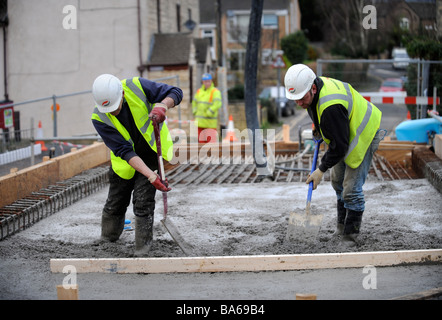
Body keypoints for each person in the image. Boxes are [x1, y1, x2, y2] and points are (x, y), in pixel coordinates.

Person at [284, 64, 386, 246]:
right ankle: (341, 227)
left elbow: (340, 146)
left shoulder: (331, 106)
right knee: (337, 182)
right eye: (295, 99)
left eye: (301, 98)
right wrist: (319, 129)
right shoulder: (312, 91)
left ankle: (350, 236)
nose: (298, 103)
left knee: (351, 189)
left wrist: (320, 169)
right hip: (344, 131)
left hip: (363, 134)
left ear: (313, 88)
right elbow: (318, 113)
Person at [91, 74, 183, 256]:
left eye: (115, 107)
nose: (112, 112)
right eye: (107, 109)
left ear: (122, 94)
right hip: (125, 162)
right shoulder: (99, 118)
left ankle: (143, 248)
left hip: (151, 152)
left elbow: (176, 92)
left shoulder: (136, 87)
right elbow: (125, 151)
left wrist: (162, 105)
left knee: (143, 201)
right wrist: (151, 176)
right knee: (116, 201)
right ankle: (107, 241)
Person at [192, 73, 222, 143]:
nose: (207, 83)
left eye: (208, 81)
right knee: (201, 145)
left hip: (210, 123)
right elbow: (194, 102)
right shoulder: (199, 91)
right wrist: (195, 111)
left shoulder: (215, 91)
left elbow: (217, 104)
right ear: (203, 82)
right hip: (200, 123)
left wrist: (209, 112)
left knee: (211, 145)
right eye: (205, 81)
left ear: (211, 81)